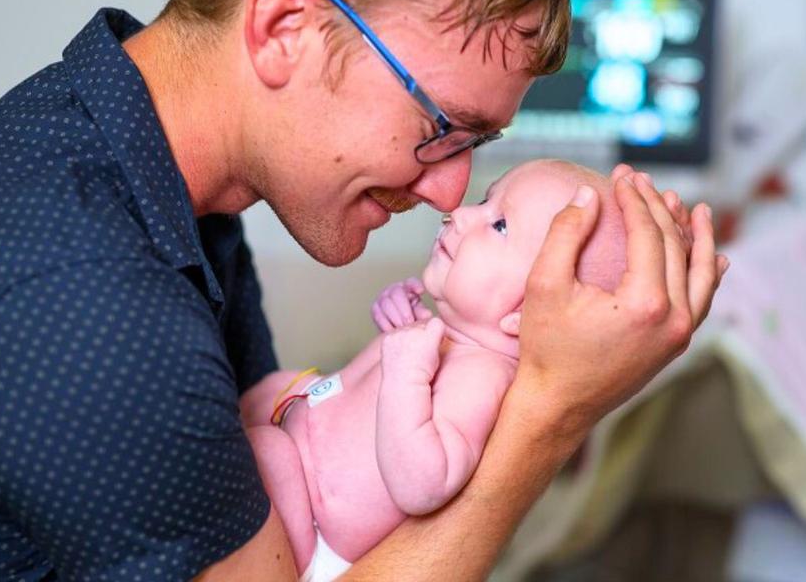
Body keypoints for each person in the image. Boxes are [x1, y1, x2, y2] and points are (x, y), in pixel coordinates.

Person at [0, 0, 726, 580]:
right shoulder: (87, 298)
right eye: (441, 128)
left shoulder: (151, 160)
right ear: (285, 23)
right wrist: (555, 411)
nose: (453, 194)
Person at [242, 160, 628, 580]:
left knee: (267, 452)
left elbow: (424, 483)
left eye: (499, 225)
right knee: (268, 392)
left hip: (319, 539)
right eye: (484, 200)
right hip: (305, 463)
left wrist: (407, 370)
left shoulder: (483, 377)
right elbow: (366, 388)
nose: (461, 214)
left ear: (527, 313)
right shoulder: (450, 337)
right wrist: (396, 324)